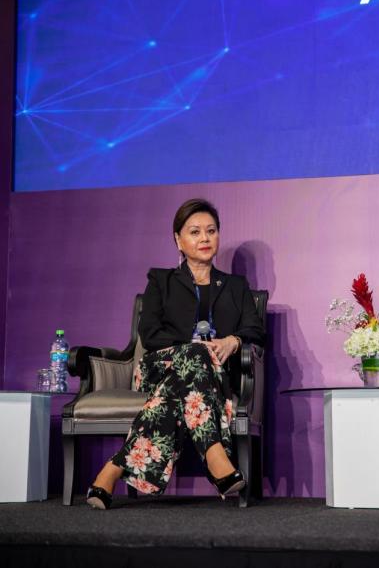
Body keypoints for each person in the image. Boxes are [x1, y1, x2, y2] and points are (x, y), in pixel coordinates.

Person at [86, 198, 266, 509]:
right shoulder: (161, 280)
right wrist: (194, 345)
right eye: (195, 232)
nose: (204, 238)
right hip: (161, 368)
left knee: (181, 385)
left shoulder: (236, 286)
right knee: (195, 354)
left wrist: (233, 341)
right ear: (178, 240)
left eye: (211, 231)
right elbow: (150, 334)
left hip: (212, 374)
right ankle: (214, 453)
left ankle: (113, 469)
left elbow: (256, 329)